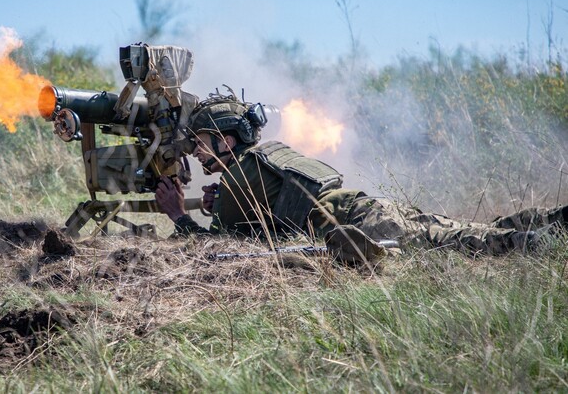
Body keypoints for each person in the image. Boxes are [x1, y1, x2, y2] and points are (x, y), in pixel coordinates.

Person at [155, 91, 567, 264]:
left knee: (476, 245)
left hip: (367, 225)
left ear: (227, 140)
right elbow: (263, 218)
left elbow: (215, 252)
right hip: (373, 208)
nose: (196, 150)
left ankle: (547, 243)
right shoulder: (265, 155)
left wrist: (178, 215)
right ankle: (554, 221)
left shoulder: (242, 174)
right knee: (476, 230)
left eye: (204, 141)